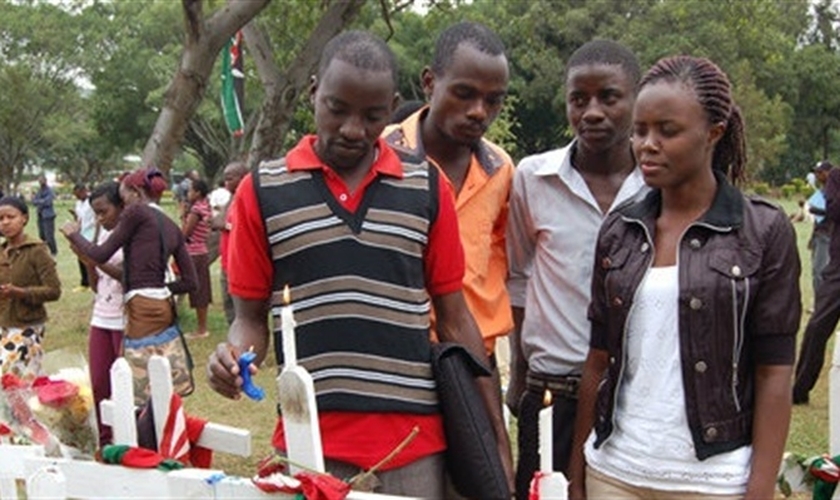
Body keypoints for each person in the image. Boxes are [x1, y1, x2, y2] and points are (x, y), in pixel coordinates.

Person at [207, 30, 512, 497]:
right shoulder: (262, 191)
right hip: (309, 439)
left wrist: (493, 432)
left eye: (373, 116)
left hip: (415, 445)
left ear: (392, 107)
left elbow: (454, 317)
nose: (353, 129)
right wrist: (233, 358)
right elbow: (248, 320)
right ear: (314, 93)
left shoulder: (425, 187)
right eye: (337, 109)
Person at [568, 55, 801, 500]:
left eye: (667, 131)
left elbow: (774, 372)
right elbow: (598, 360)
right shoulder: (619, 231)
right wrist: (578, 474)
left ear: (713, 133)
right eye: (639, 130)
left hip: (713, 481)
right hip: (615, 473)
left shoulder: (763, 231)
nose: (647, 145)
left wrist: (760, 487)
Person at [505, 40, 646, 499]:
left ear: (635, 99)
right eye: (578, 99)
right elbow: (521, 278)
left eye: (609, 97)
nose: (592, 112)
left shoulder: (658, 186)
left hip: (634, 399)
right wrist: (519, 375)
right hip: (550, 396)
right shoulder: (533, 178)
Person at [383, 20, 513, 371]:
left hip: (472, 354)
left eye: (493, 100)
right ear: (429, 82)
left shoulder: (500, 169)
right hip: (397, 353)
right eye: (464, 93)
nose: (478, 111)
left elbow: (499, 254)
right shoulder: (380, 154)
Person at [60, 168, 196, 342]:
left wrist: (73, 234)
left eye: (124, 200)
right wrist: (158, 289)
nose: (124, 208)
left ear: (136, 193)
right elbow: (191, 282)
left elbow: (101, 254)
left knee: (137, 362)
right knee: (158, 361)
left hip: (141, 306)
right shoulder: (171, 226)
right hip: (163, 306)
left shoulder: (136, 212)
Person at [76, 181, 125, 446]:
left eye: (104, 211)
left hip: (125, 317)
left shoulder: (131, 235)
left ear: (121, 207)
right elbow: (97, 286)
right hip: (101, 315)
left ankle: (130, 436)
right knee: (99, 384)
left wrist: (96, 260)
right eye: (95, 213)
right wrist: (90, 265)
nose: (99, 218)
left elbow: (126, 276)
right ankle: (106, 441)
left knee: (124, 383)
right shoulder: (102, 235)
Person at [0, 196, 61, 379]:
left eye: (10, 217)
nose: (5, 222)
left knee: (13, 378)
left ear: (24, 218)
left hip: (26, 326)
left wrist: (19, 292)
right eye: (1, 219)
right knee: (17, 383)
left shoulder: (37, 250)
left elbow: (53, 290)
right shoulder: (2, 252)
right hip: (4, 324)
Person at [794, 162, 840, 405]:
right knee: (817, 328)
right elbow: (833, 210)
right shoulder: (836, 177)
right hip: (838, 271)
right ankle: (800, 389)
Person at [211, 161, 248, 326]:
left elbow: (248, 229)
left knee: (241, 309)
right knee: (228, 304)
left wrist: (225, 226)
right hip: (226, 261)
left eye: (229, 178)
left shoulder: (248, 200)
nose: (226, 183)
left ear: (242, 178)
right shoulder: (232, 198)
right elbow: (220, 220)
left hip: (241, 263)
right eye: (224, 179)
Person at [181, 178, 212, 339]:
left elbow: (185, 234)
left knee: (197, 291)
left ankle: (201, 329)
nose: (188, 193)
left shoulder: (196, 211)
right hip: (202, 251)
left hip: (193, 253)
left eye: (191, 190)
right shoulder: (206, 206)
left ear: (198, 192)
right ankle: (202, 326)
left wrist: (183, 216)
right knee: (202, 290)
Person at [807, 161, 833, 299]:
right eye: (816, 172)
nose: (818, 175)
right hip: (819, 235)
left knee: (820, 271)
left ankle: (821, 304)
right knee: (816, 271)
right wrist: (812, 237)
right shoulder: (822, 190)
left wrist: (817, 210)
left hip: (828, 236)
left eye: (821, 172)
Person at [72, 183, 96, 292]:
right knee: (80, 257)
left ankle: (92, 282)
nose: (77, 197)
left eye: (78, 194)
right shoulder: (78, 203)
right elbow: (79, 217)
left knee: (90, 258)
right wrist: (74, 216)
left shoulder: (92, 202)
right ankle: (84, 283)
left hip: (91, 232)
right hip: (81, 232)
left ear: (84, 191)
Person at [206, 178, 231, 264]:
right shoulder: (229, 194)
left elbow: (213, 205)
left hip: (218, 224)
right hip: (223, 223)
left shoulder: (214, 193)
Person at [31, 175, 57, 256]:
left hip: (48, 216)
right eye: (39, 181)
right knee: (41, 235)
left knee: (49, 235)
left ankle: (54, 251)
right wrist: (40, 201)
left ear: (46, 181)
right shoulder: (39, 191)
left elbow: (48, 202)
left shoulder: (49, 190)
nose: (41, 182)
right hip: (40, 215)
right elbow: (34, 202)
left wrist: (39, 201)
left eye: (42, 180)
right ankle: (44, 251)